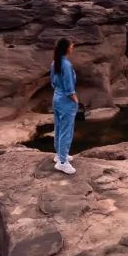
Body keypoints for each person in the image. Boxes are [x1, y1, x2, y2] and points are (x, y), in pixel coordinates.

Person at [50, 37, 78, 174]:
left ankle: (60, 154)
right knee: (66, 130)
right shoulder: (66, 65)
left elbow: (53, 83)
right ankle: (62, 162)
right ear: (67, 48)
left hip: (56, 98)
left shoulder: (55, 62)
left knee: (59, 127)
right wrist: (75, 100)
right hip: (66, 101)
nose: (73, 47)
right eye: (71, 45)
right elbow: (69, 88)